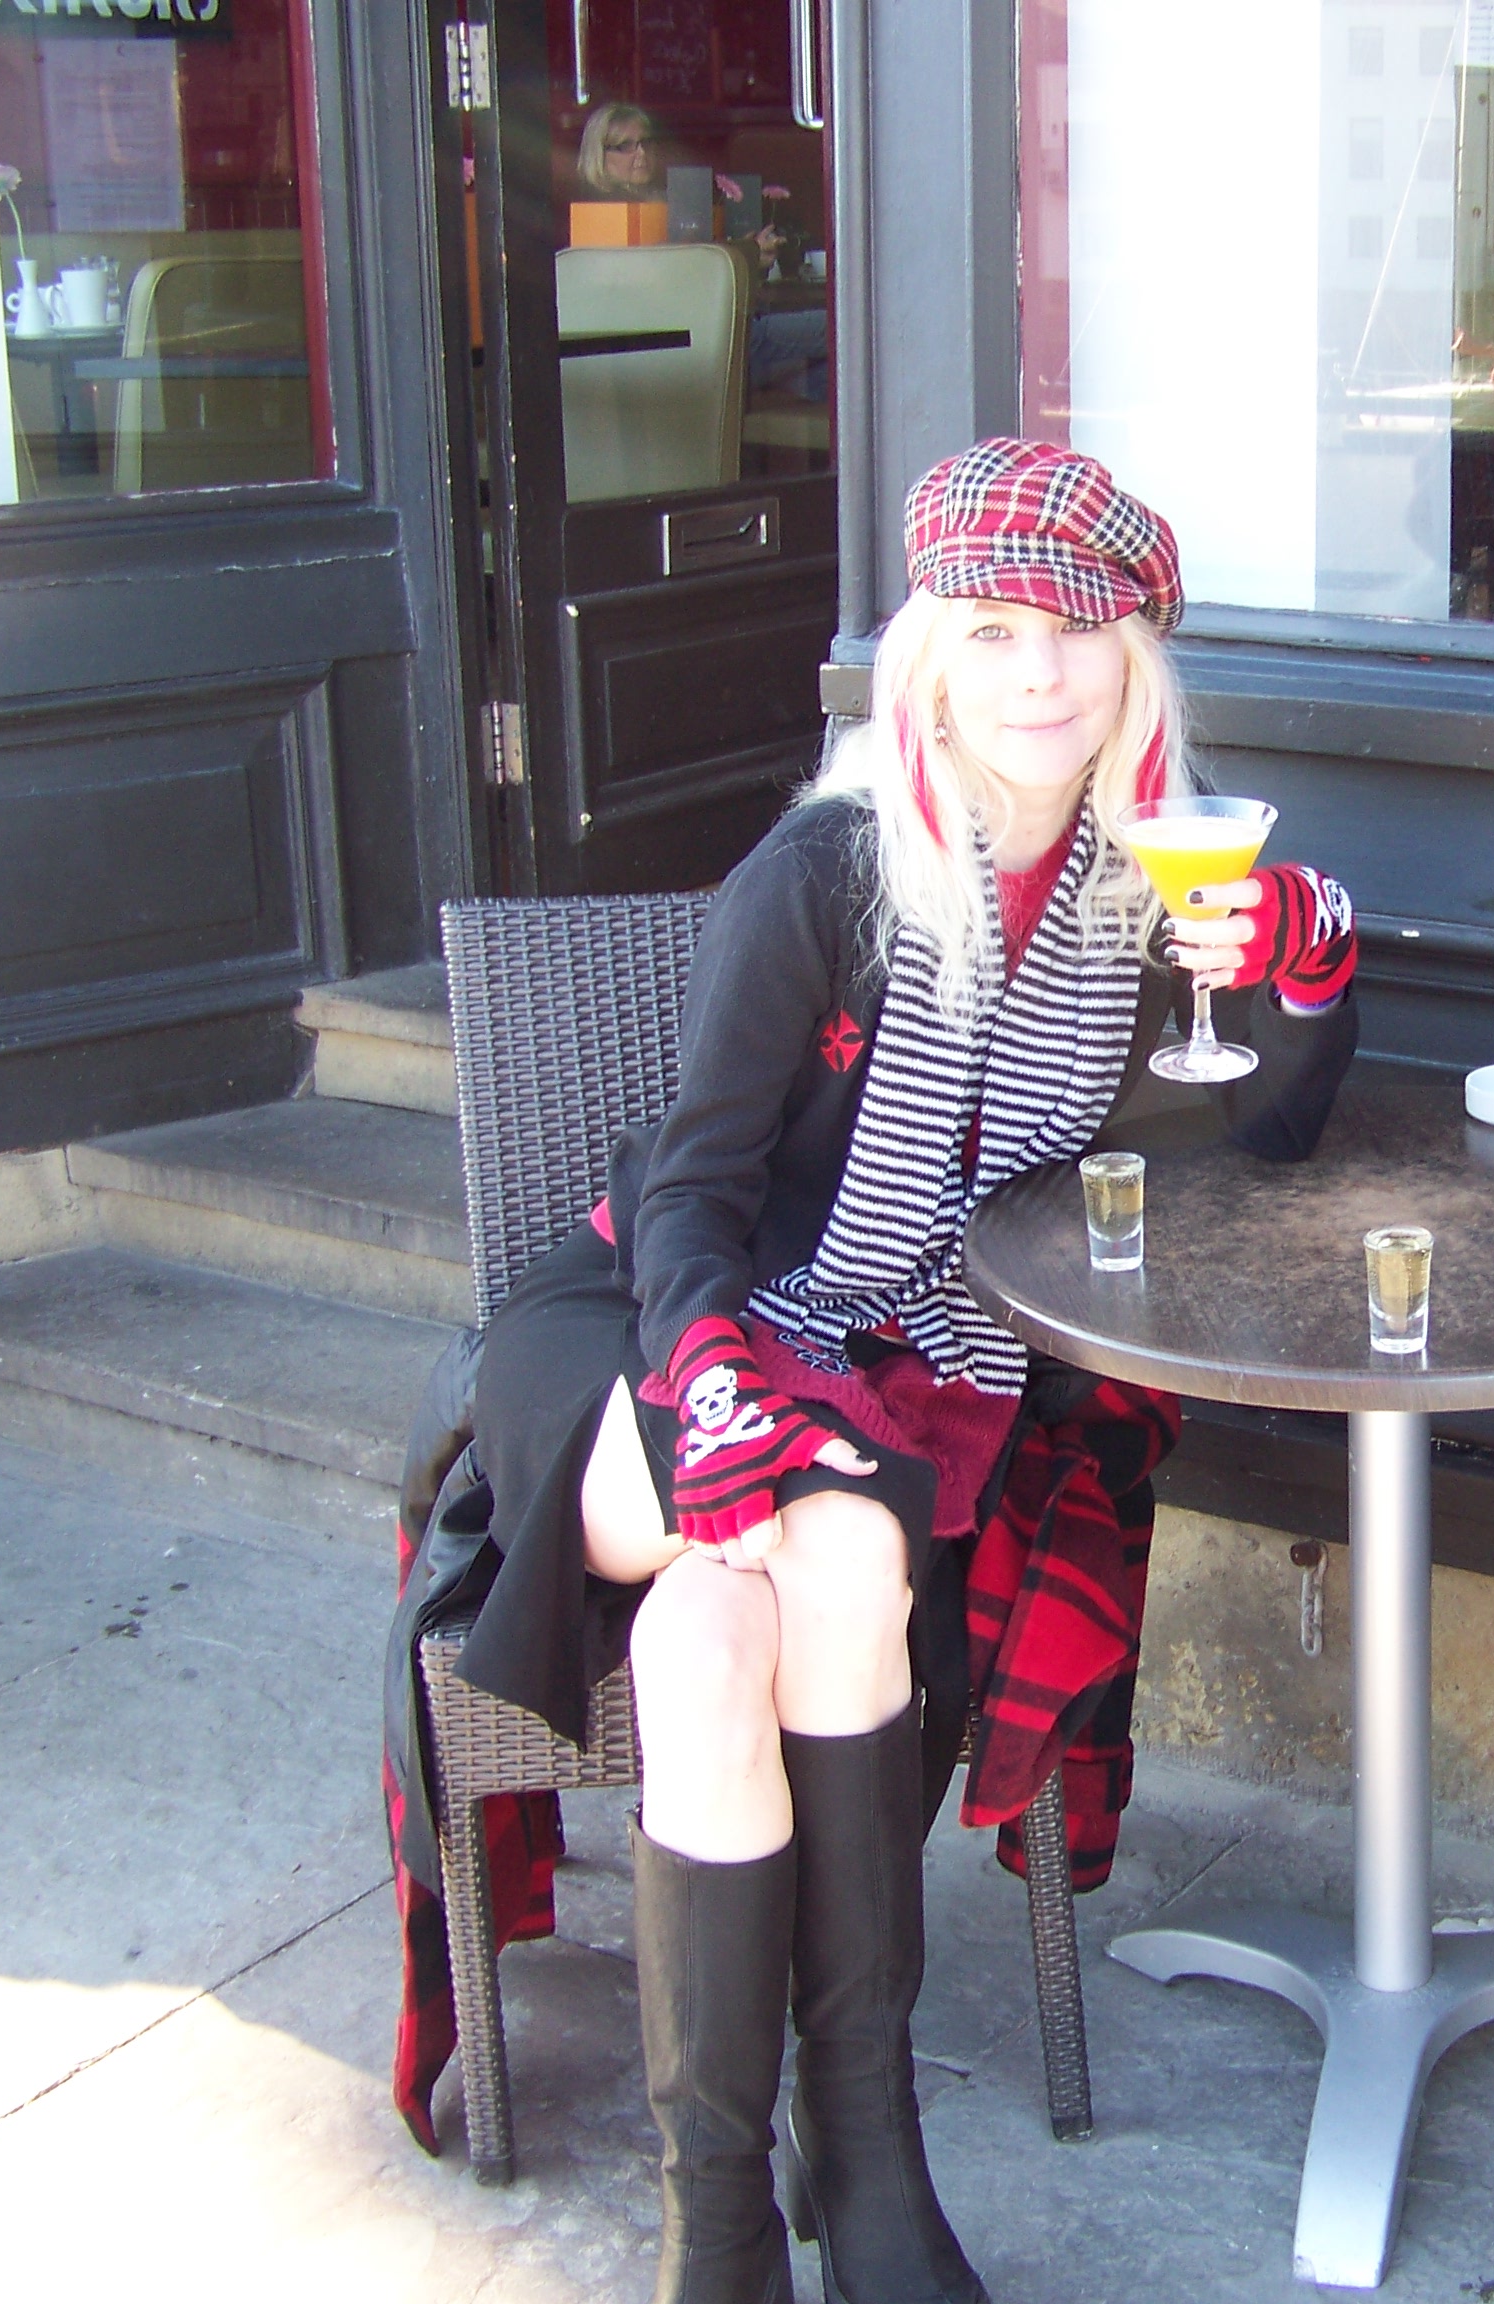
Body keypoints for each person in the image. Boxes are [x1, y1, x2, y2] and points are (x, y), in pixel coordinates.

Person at [448, 436, 1361, 2304]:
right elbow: (693, 1188)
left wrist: (1303, 973)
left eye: (1081, 630)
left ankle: (745, 2224)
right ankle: (850, 2169)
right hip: (648, 1328)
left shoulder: (1141, 882)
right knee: (834, 1535)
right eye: (995, 631)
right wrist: (713, 1382)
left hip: (888, 1362)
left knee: (723, 1636)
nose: (1041, 674)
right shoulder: (828, 869)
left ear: (1136, 655)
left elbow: (1260, 1134)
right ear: (931, 657)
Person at [578, 101, 664, 199]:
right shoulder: (592, 205)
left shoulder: (667, 199)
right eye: (626, 145)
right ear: (599, 155)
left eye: (646, 142)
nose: (642, 152)